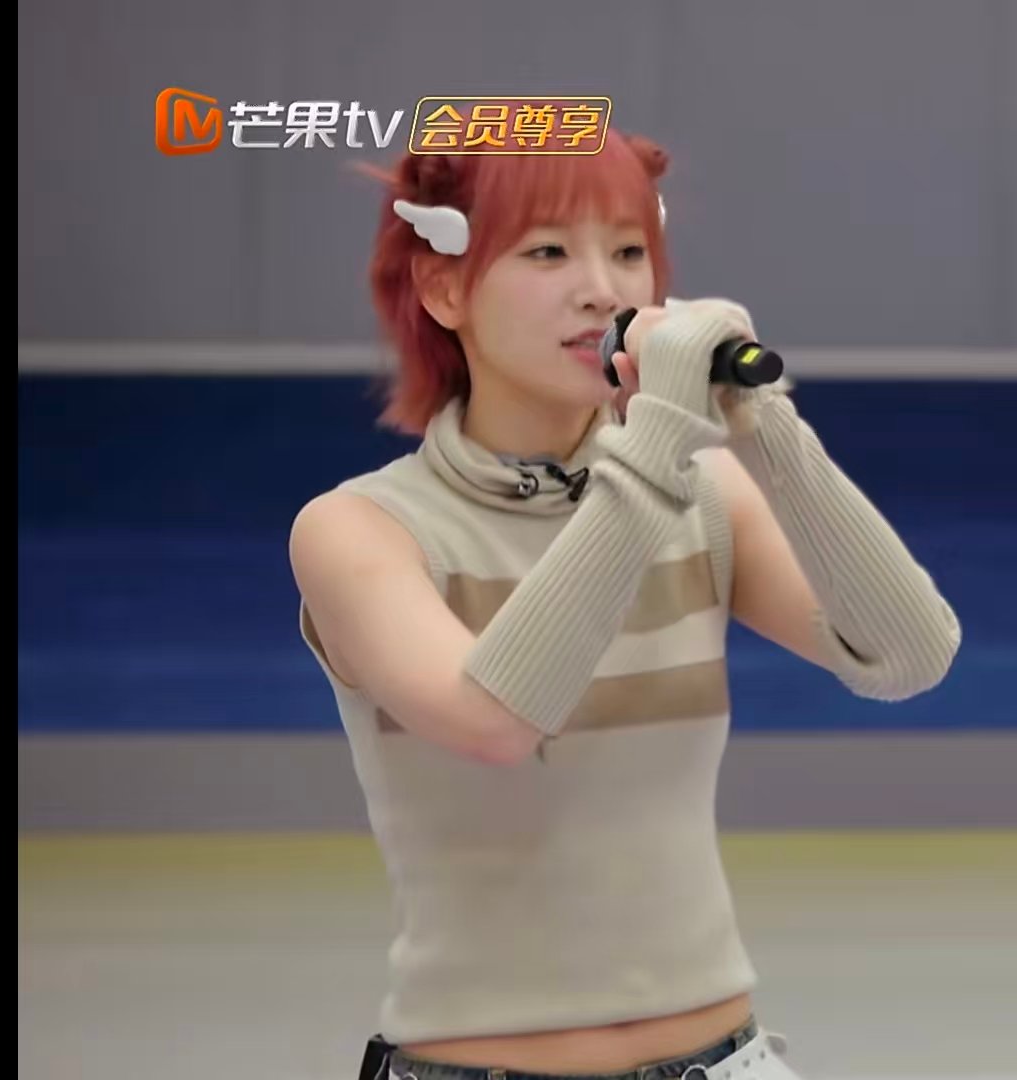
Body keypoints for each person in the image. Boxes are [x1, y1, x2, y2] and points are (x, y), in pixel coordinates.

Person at [289, 130, 961, 1080]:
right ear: (443, 289)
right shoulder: (360, 530)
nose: (602, 290)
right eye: (547, 251)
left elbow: (908, 656)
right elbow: (494, 720)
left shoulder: (701, 495)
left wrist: (764, 426)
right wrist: (656, 442)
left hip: (725, 1059)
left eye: (629, 250)